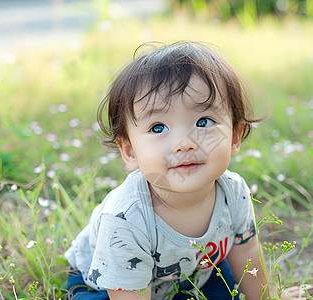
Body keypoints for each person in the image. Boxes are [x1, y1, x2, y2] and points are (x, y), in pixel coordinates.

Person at [64, 41, 301, 300]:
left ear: (234, 137)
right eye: (158, 128)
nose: (184, 144)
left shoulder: (233, 192)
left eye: (203, 122)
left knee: (230, 289)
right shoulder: (126, 218)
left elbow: (246, 254)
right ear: (130, 151)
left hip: (194, 273)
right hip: (114, 286)